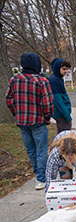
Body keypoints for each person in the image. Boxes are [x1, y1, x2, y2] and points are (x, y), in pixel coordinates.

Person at [5, 52, 53, 190]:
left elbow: (9, 100)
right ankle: (41, 179)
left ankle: (38, 175)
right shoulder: (41, 81)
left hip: (22, 122)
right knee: (41, 151)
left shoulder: (14, 80)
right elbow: (48, 104)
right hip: (38, 121)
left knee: (31, 150)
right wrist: (47, 117)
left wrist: (16, 113)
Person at [49, 58, 72, 133]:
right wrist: (66, 115)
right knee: (65, 136)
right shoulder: (53, 80)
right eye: (63, 69)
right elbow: (57, 100)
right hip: (61, 115)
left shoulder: (59, 79)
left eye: (66, 69)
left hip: (63, 113)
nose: (66, 71)